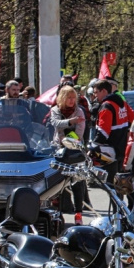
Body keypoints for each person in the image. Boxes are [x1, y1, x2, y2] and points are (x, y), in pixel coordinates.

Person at [50, 86, 87, 225]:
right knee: (58, 184)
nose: (71, 101)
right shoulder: (55, 110)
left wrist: (69, 140)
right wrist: (71, 122)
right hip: (58, 150)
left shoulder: (79, 111)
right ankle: (57, 213)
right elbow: (56, 124)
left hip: (75, 151)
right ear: (62, 98)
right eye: (69, 98)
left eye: (73, 98)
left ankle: (78, 214)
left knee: (77, 183)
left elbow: (79, 133)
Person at [92, 77, 134, 183]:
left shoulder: (106, 106)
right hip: (123, 147)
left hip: (110, 151)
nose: (95, 95)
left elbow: (103, 133)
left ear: (104, 91)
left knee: (111, 184)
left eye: (96, 92)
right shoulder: (122, 102)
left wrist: (93, 147)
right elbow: (133, 119)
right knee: (120, 183)